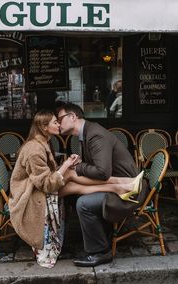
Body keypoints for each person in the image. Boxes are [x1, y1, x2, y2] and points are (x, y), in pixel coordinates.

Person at [56, 102, 143, 267]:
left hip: (128, 192)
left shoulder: (95, 134)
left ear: (72, 117)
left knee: (83, 203)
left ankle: (100, 252)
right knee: (73, 187)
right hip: (118, 186)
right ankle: (98, 237)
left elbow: (103, 172)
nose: (58, 123)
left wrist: (78, 167)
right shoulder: (86, 133)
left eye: (60, 119)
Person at [9, 109, 80, 269]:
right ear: (44, 127)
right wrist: (66, 166)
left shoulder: (44, 143)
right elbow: (46, 184)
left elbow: (48, 176)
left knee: (72, 178)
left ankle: (115, 186)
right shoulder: (34, 149)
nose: (59, 124)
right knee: (72, 179)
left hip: (37, 187)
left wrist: (66, 166)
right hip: (28, 194)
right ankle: (116, 187)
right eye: (55, 122)